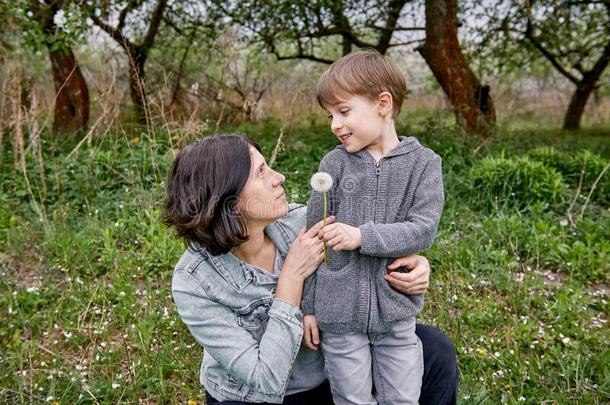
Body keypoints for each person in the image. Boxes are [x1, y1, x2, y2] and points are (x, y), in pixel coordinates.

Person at [165, 134, 457, 405]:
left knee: (433, 349)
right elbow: (265, 378)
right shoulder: (194, 282)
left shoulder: (303, 223)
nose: (279, 178)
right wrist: (291, 278)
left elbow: (368, 238)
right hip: (255, 398)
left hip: (329, 379)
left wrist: (415, 263)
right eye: (261, 173)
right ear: (227, 201)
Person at [302, 49, 445, 404]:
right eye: (330, 115)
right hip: (339, 316)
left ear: (383, 103)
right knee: (351, 400)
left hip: (395, 314)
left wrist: (361, 236)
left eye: (344, 111)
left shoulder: (424, 165)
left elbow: (423, 229)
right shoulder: (333, 165)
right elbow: (312, 238)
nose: (334, 124)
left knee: (402, 399)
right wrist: (308, 306)